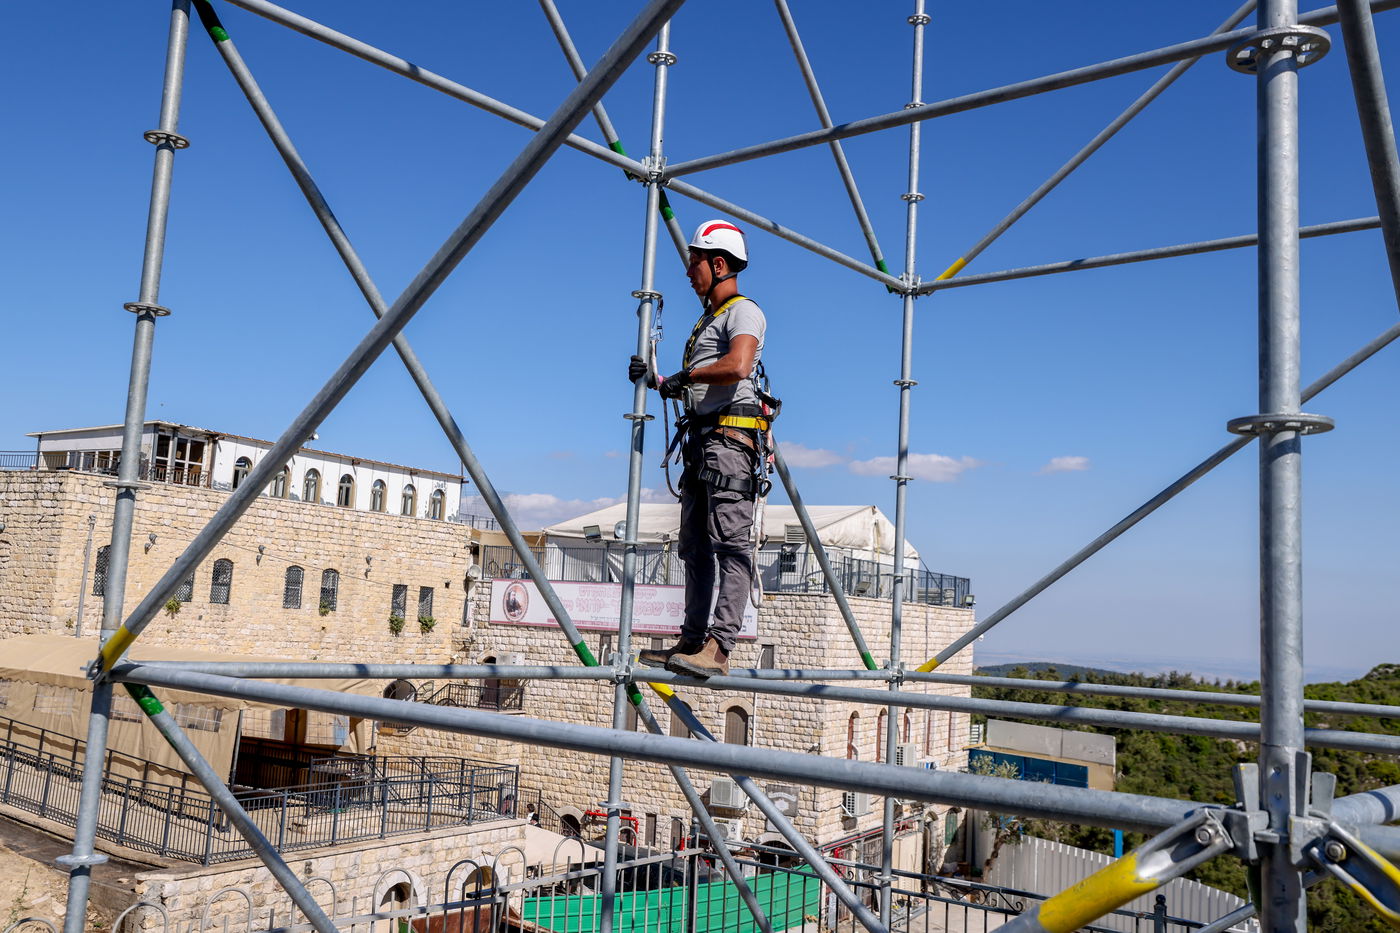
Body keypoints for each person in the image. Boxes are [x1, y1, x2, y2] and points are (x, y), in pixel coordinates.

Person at [628, 220, 768, 678]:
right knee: (694, 546)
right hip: (704, 441)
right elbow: (694, 382)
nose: (690, 273)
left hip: (728, 441)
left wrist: (687, 376)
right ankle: (691, 640)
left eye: (696, 264)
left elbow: (738, 364)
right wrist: (657, 380)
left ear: (719, 263)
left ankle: (719, 648)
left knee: (730, 544)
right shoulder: (709, 319)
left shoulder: (742, 312)